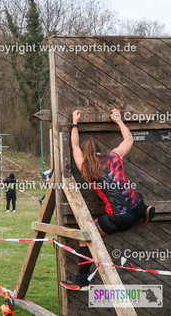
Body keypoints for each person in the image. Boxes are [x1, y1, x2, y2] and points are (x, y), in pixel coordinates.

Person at [60, 109, 156, 291]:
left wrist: (75, 123)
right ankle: (144, 211)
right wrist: (118, 120)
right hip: (136, 205)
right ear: (99, 151)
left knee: (84, 236)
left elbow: (74, 145)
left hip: (120, 218)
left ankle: (82, 280)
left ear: (86, 155)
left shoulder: (86, 168)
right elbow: (129, 139)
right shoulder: (114, 156)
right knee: (133, 193)